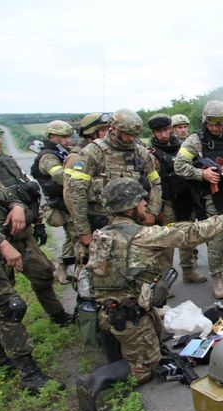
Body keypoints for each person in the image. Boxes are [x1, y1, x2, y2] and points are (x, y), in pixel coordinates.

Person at [76, 178, 223, 411]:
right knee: (146, 367)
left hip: (105, 312)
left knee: (157, 332)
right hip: (128, 318)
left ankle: (115, 349)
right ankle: (94, 380)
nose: (145, 204)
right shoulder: (143, 236)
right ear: (128, 208)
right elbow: (191, 234)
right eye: (141, 201)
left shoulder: (101, 235)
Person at [174, 100, 223, 298]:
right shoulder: (195, 140)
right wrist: (202, 174)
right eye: (212, 122)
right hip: (211, 197)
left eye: (221, 123)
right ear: (205, 121)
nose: (216, 127)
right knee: (216, 241)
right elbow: (179, 165)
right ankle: (217, 279)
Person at [0, 133, 73, 326]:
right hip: (2, 241)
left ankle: (58, 315)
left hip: (22, 234)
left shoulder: (7, 161)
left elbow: (28, 194)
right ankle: (11, 346)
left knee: (43, 274)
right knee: (6, 298)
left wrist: (38, 223)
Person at [63, 108, 162, 249]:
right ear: (114, 128)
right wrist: (83, 230)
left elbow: (156, 183)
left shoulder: (141, 153)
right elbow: (76, 191)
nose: (131, 139)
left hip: (133, 224)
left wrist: (152, 212)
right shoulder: (93, 152)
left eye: (135, 135)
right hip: (100, 222)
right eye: (128, 134)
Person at [0, 181, 65, 394]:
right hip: (4, 242)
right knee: (10, 306)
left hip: (13, 237)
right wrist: (1, 243)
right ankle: (28, 374)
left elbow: (8, 193)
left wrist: (16, 206)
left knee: (41, 275)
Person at [147, 114, 206, 284]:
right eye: (159, 131)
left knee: (187, 235)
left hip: (185, 197)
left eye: (166, 130)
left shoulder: (183, 147)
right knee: (166, 240)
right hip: (165, 201)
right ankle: (164, 281)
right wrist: (153, 208)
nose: (164, 135)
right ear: (153, 133)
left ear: (170, 129)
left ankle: (189, 270)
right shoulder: (149, 153)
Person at [31, 120, 76, 284]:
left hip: (66, 202)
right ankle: (63, 269)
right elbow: (61, 177)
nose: (67, 140)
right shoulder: (48, 156)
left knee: (73, 238)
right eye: (63, 136)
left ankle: (63, 269)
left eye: (68, 136)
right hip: (59, 204)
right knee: (74, 237)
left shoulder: (62, 151)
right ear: (52, 136)